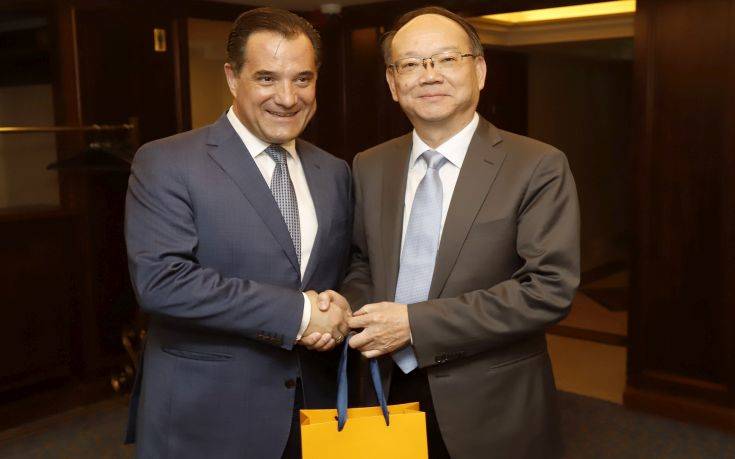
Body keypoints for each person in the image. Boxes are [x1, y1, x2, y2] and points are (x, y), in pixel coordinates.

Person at [319, 6, 580, 459]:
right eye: (411, 64)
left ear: (479, 70)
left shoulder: (537, 165)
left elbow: (548, 290)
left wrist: (413, 325)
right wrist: (354, 309)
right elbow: (362, 260)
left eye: (446, 59)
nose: (429, 75)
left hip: (490, 401)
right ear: (392, 83)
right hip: (385, 388)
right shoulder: (370, 164)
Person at [124, 7, 352, 459]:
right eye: (267, 78)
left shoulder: (334, 171)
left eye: (302, 79)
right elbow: (162, 282)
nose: (287, 97)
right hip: (206, 416)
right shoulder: (167, 162)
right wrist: (300, 315)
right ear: (233, 78)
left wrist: (340, 308)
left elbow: (342, 268)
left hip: (314, 410)